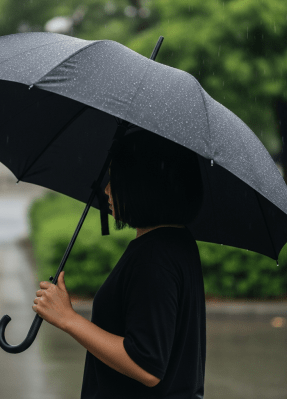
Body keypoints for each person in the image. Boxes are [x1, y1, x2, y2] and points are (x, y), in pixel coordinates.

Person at [79, 126, 206, 398]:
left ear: (142, 185)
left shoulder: (154, 258)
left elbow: (147, 365)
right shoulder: (177, 242)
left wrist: (68, 319)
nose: (107, 189)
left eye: (116, 178)